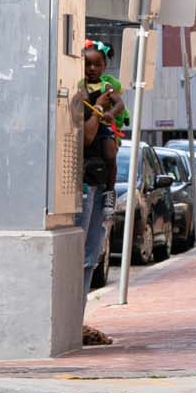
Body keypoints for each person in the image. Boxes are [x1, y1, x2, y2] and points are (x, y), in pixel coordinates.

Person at [80, 41, 125, 346]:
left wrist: (111, 111)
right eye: (88, 64)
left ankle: (78, 318)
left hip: (101, 185)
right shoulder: (81, 93)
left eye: (98, 64)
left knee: (91, 256)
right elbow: (87, 135)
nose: (93, 68)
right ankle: (72, 319)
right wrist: (100, 110)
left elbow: (120, 107)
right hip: (82, 183)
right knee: (81, 255)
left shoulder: (108, 89)